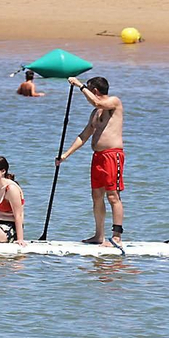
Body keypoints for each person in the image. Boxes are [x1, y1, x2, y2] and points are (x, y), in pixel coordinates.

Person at [56, 75, 125, 247]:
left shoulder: (113, 102)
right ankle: (98, 235)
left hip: (112, 155)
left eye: (88, 89)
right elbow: (84, 135)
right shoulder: (95, 114)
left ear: (94, 90)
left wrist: (79, 85)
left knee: (113, 196)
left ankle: (116, 236)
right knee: (96, 196)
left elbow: (98, 102)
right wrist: (65, 155)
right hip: (98, 158)